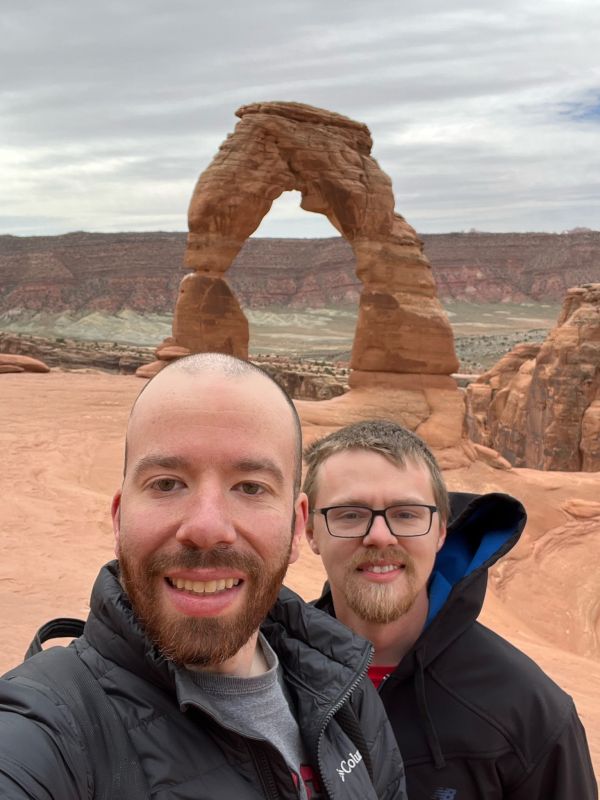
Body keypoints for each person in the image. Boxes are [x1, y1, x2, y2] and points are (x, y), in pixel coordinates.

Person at [0, 356, 407, 800]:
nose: (207, 527)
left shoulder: (345, 695)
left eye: (250, 487)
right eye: (167, 484)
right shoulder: (47, 724)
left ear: (295, 527)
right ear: (119, 520)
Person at [304, 419, 597, 799]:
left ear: (441, 530)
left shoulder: (528, 713)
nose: (379, 535)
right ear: (309, 531)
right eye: (350, 514)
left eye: (406, 514)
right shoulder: (266, 675)